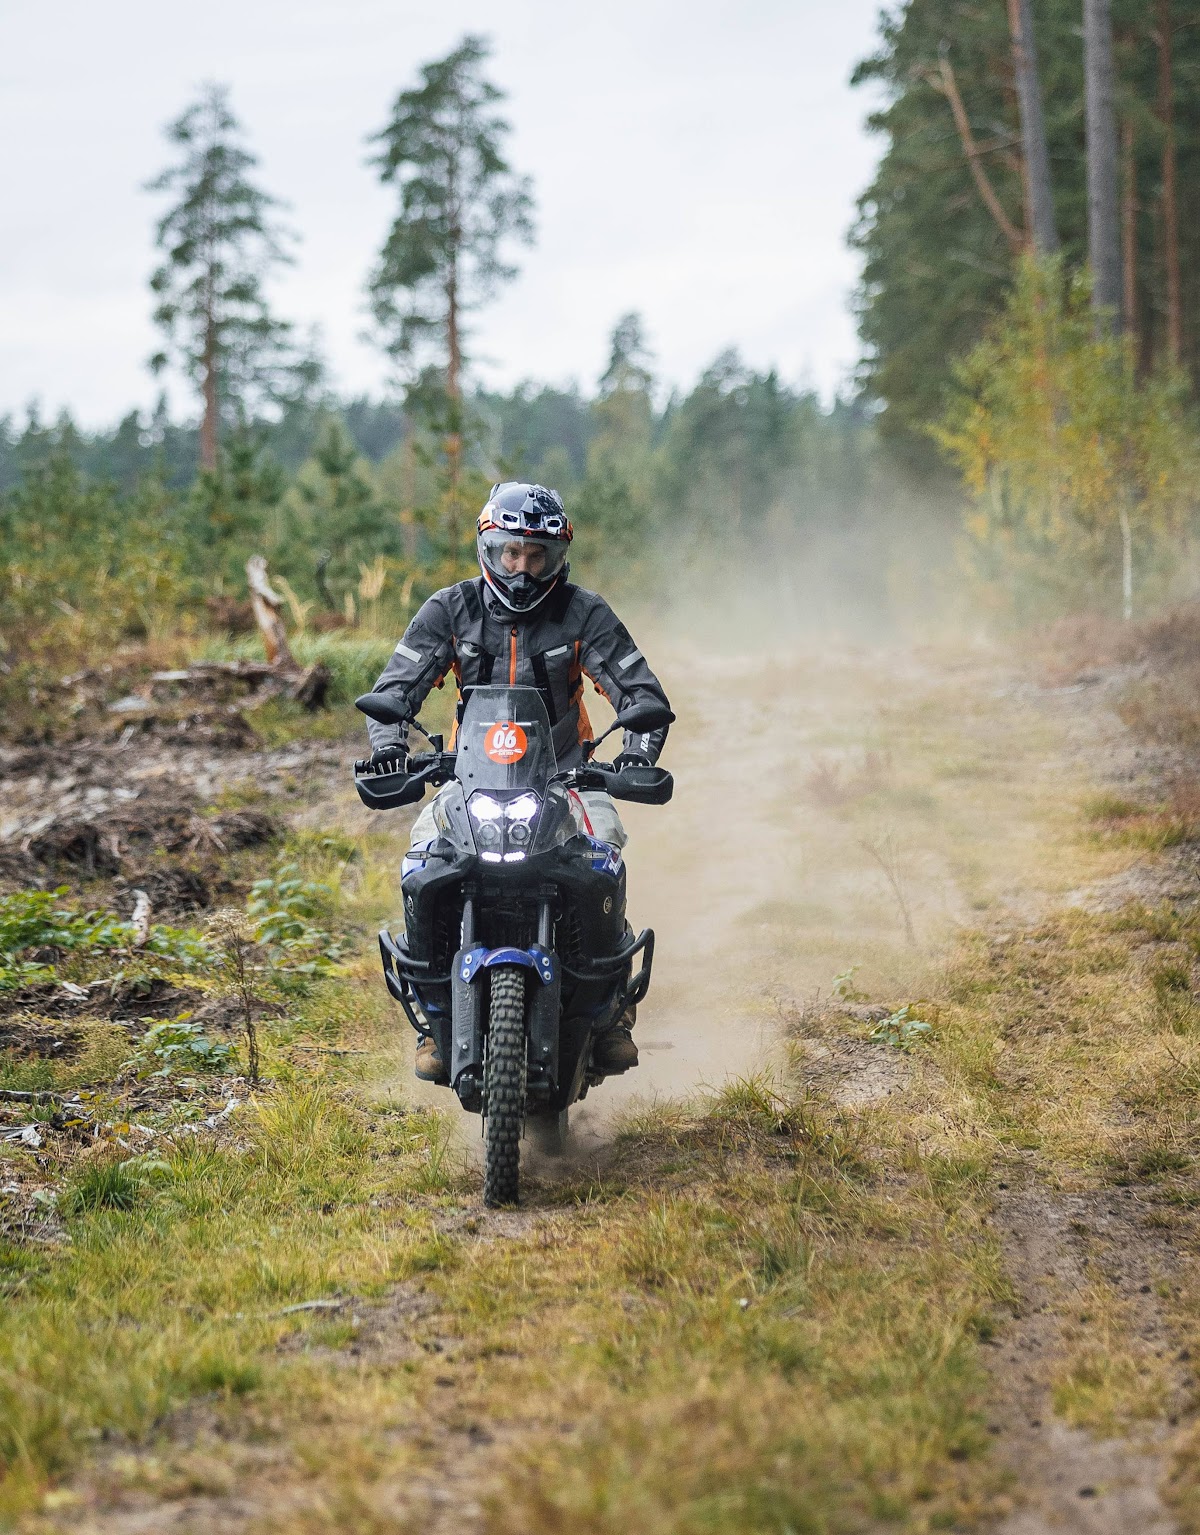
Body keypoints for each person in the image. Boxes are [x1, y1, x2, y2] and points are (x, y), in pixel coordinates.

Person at [361, 481, 672, 1080]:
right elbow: (395, 690)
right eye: (511, 553)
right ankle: (432, 1015)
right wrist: (388, 750)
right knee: (423, 861)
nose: (523, 570)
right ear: (489, 549)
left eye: (537, 556)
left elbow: (640, 692)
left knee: (603, 854)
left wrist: (635, 753)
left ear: (558, 557)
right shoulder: (449, 609)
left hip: (568, 776)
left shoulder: (585, 613)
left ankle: (610, 1016)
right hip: (468, 780)